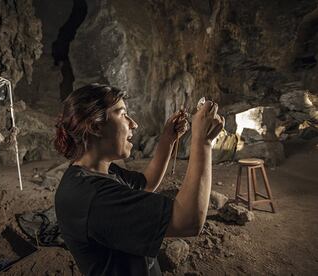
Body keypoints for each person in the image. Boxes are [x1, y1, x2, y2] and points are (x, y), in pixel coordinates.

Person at [54, 83, 224, 275]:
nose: (133, 123)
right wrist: (203, 141)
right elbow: (188, 221)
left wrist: (168, 138)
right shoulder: (94, 197)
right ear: (96, 126)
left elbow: (146, 183)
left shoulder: (97, 172)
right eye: (122, 113)